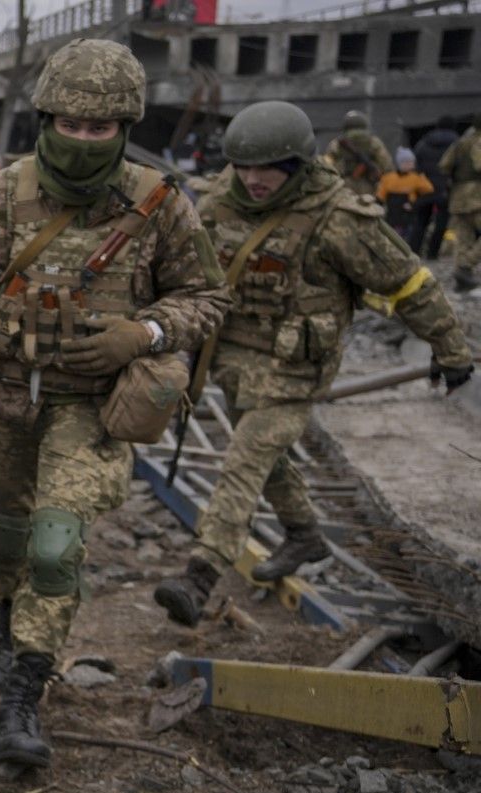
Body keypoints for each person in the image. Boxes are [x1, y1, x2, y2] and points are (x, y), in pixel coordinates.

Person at [0, 38, 229, 771]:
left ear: (124, 128)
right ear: (46, 119)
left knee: (55, 546)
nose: (84, 139)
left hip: (92, 408)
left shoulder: (160, 202)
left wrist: (143, 331)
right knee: (7, 537)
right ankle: (3, 623)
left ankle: (24, 692)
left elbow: (208, 296)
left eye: (102, 128)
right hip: (1, 399)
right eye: (72, 125)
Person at [154, 102, 472, 623]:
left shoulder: (339, 218)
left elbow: (409, 283)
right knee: (263, 458)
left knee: (245, 461)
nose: (254, 180)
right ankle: (305, 535)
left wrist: (450, 349)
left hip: (296, 370)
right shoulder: (217, 201)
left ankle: (201, 573)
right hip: (233, 360)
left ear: (298, 164)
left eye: (269, 169)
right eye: (245, 167)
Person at [410, 116, 460, 258]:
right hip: (446, 189)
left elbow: (415, 165)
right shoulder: (457, 143)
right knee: (441, 223)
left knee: (420, 221)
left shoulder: (424, 143)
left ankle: (413, 252)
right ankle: (433, 253)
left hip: (424, 188)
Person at [442, 115, 481, 292]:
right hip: (476, 195)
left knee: (463, 239)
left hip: (458, 196)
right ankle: (466, 265)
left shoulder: (460, 142)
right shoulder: (478, 142)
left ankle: (462, 278)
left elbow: (444, 165)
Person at [324, 110, 392, 198]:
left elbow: (326, 167)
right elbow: (387, 165)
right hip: (369, 188)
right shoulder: (374, 142)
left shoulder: (336, 144)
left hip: (344, 187)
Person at [377, 148, 434, 239]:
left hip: (408, 215)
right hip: (392, 215)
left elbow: (429, 190)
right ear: (400, 163)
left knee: (406, 237)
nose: (410, 165)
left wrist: (413, 204)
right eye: (407, 162)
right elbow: (380, 196)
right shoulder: (388, 178)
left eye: (411, 162)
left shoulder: (415, 178)